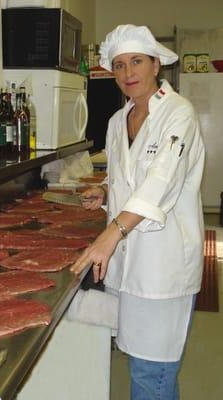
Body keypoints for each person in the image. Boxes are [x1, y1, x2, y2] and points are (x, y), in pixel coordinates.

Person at [71, 24, 205, 400]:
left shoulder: (179, 114)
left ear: (156, 65)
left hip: (163, 265)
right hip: (129, 266)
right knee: (137, 360)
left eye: (137, 62)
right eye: (118, 65)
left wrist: (109, 234)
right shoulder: (118, 121)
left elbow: (161, 181)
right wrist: (105, 190)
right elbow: (128, 177)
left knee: (152, 375)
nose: (128, 73)